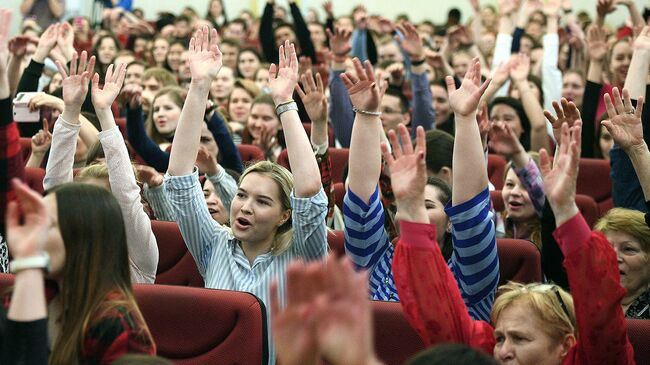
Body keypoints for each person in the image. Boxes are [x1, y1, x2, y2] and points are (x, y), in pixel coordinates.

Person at [392, 111, 636, 364]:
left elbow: (600, 308)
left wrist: (564, 208)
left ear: (564, 345)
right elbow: (438, 314)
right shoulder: (487, 359)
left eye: (520, 338)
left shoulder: (593, 359)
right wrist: (410, 210)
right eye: (499, 338)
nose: (503, 351)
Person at [164, 28, 326, 363]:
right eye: (241, 195)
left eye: (263, 201)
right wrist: (199, 86)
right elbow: (179, 177)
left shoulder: (303, 253)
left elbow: (309, 191)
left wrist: (284, 103)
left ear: (285, 215)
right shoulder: (214, 244)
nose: (245, 207)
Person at [344, 58, 499, 322]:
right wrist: (366, 115)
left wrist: (464, 118)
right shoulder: (375, 260)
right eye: (404, 206)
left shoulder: (469, 277)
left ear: (451, 224)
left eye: (426, 205)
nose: (412, 212)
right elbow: (360, 197)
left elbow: (471, 209)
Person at [1, 178, 156, 364]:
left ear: (83, 238)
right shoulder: (26, 296)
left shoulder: (119, 327)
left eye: (46, 226)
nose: (33, 236)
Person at [44, 51, 159, 284]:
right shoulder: (66, 242)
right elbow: (56, 188)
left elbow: (126, 194)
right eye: (84, 199)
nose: (90, 208)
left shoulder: (138, 251)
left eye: (102, 199)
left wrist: (105, 113)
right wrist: (71, 109)